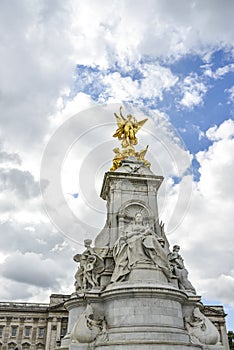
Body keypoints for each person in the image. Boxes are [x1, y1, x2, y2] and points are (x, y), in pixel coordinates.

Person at [111, 213, 171, 282]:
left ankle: (154, 259)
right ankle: (138, 260)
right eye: (137, 217)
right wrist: (137, 233)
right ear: (135, 219)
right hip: (134, 239)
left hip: (145, 238)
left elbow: (153, 234)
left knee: (151, 239)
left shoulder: (145, 227)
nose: (139, 218)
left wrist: (148, 234)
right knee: (136, 239)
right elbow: (127, 235)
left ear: (142, 219)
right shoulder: (131, 226)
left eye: (140, 217)